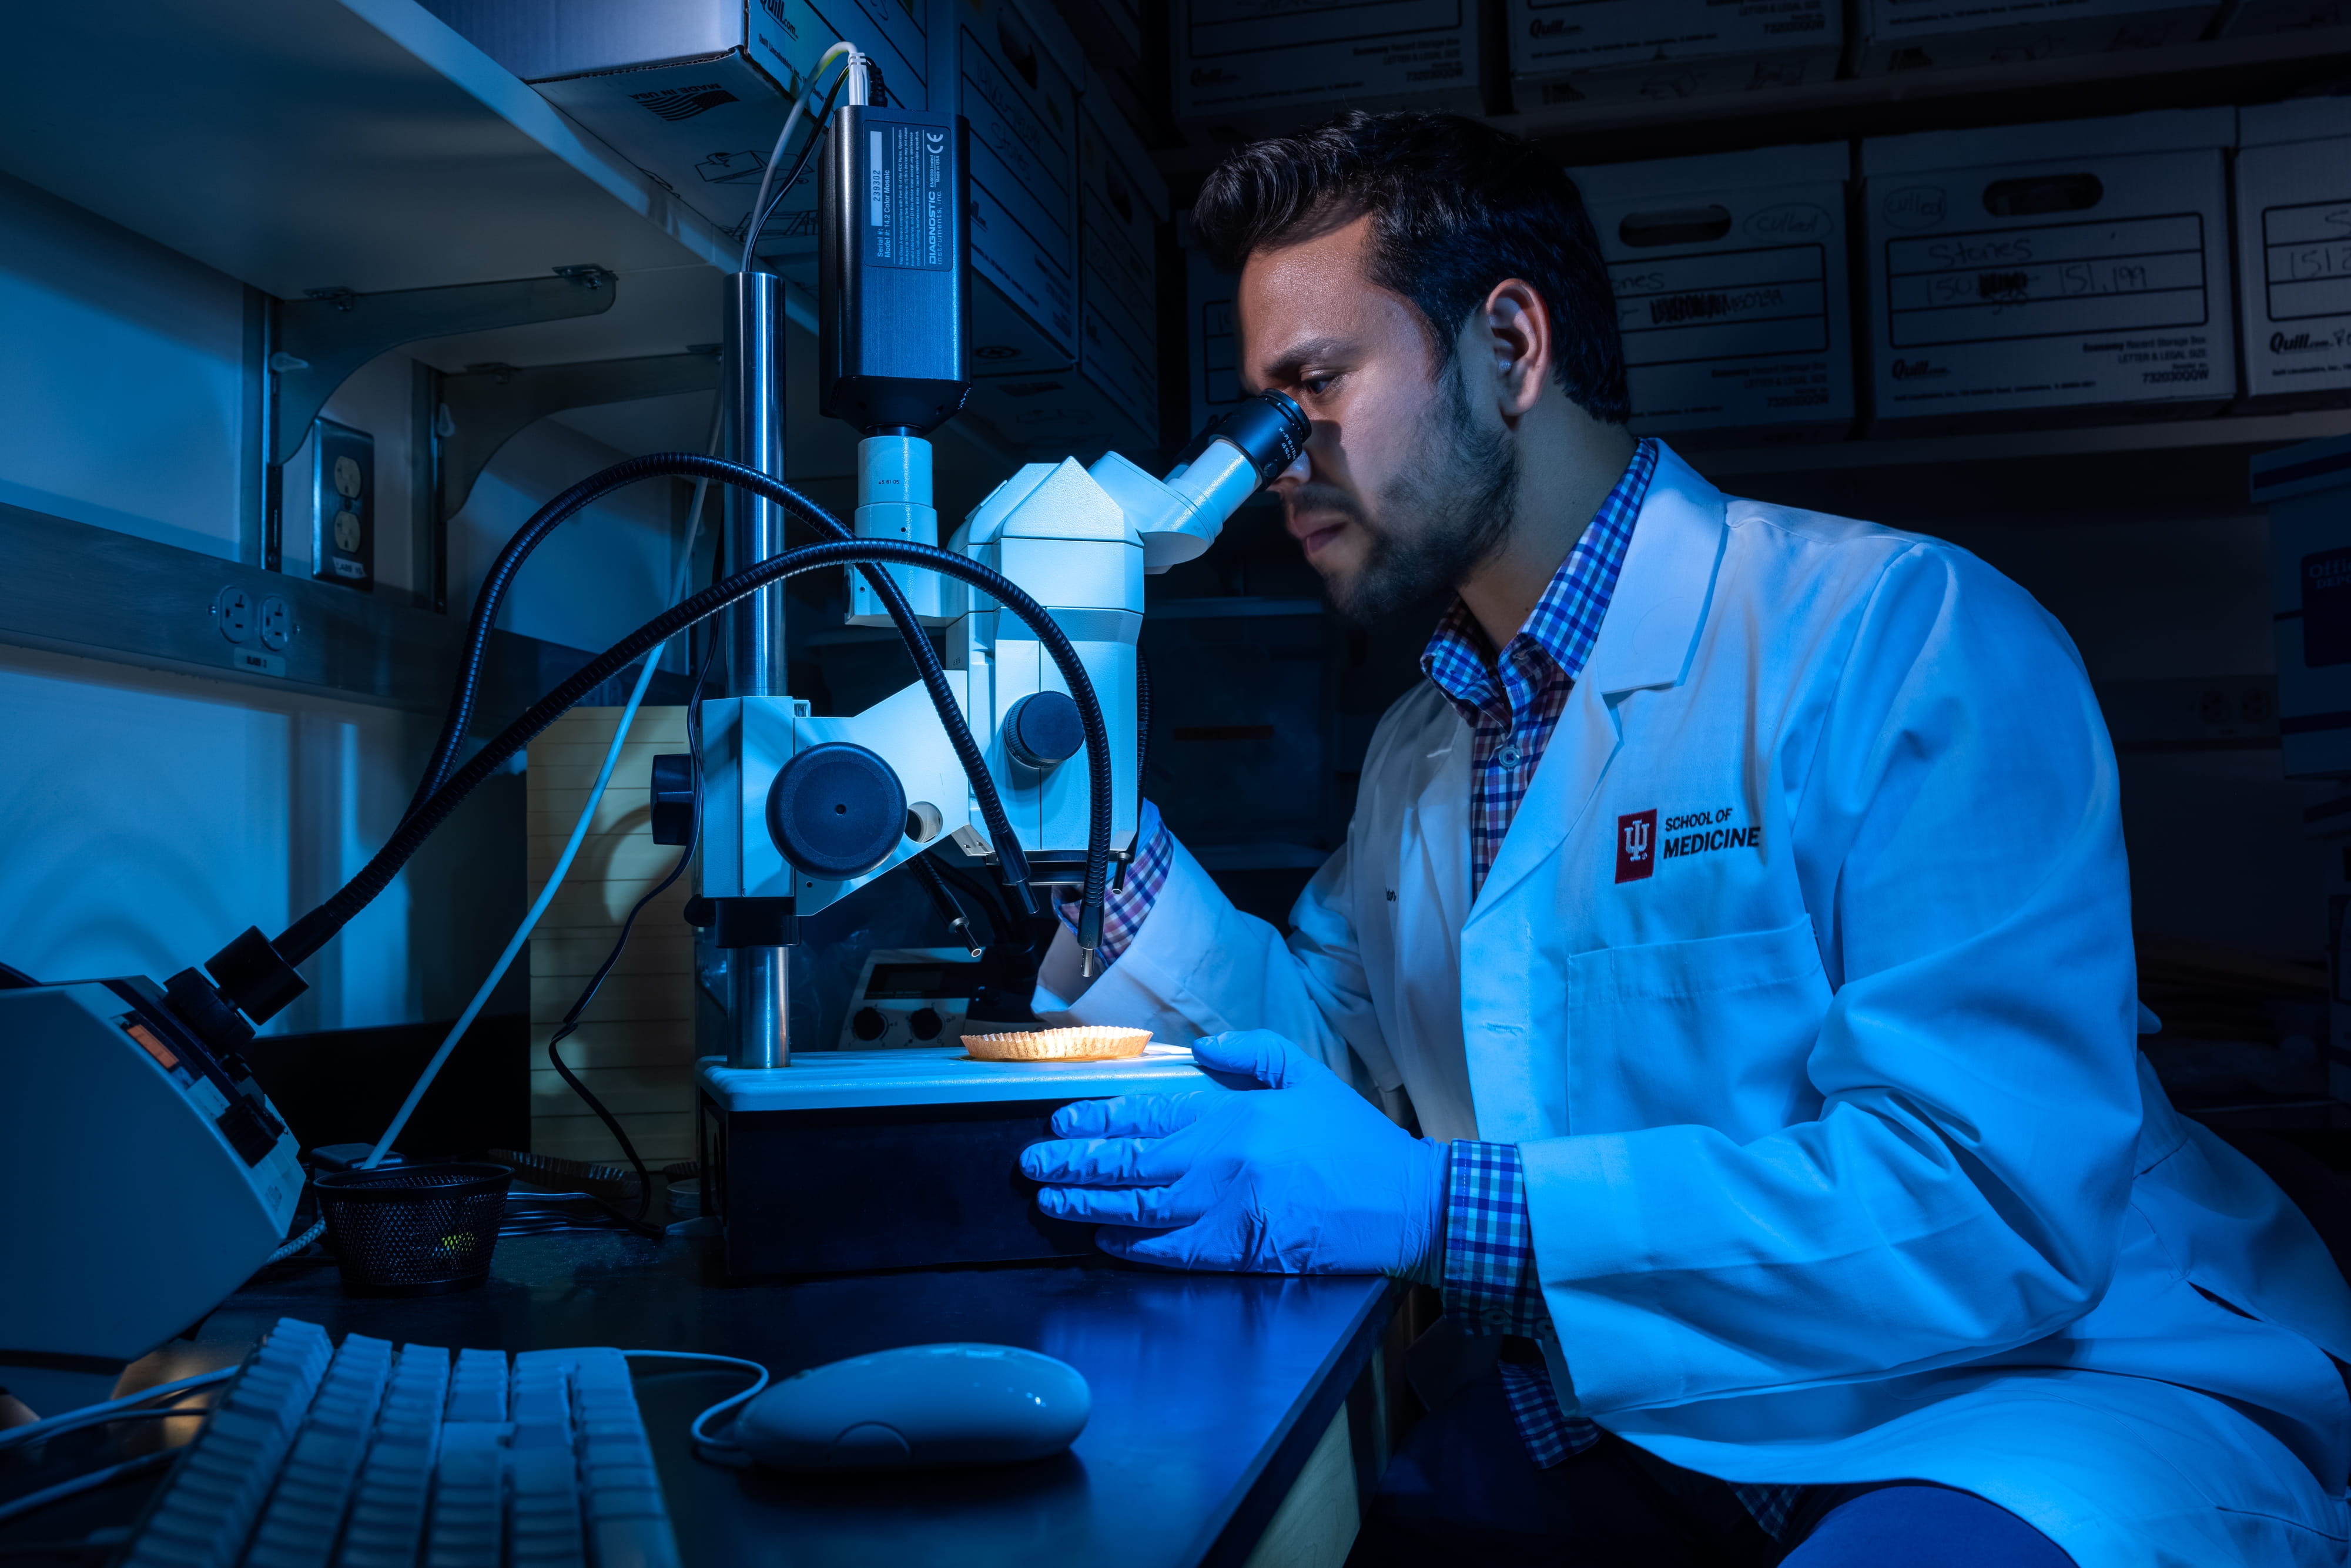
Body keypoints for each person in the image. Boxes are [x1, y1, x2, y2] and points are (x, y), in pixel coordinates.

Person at [1017, 112, 2351, 1567]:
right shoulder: (1423, 746)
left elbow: (1986, 1200)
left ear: (1508, 349)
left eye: (1311, 389)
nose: (1274, 462)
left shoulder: (1898, 636)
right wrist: (1084, 828)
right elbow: (1327, 1077)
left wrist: (1430, 1205)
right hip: (1644, 1413)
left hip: (2026, 1393)